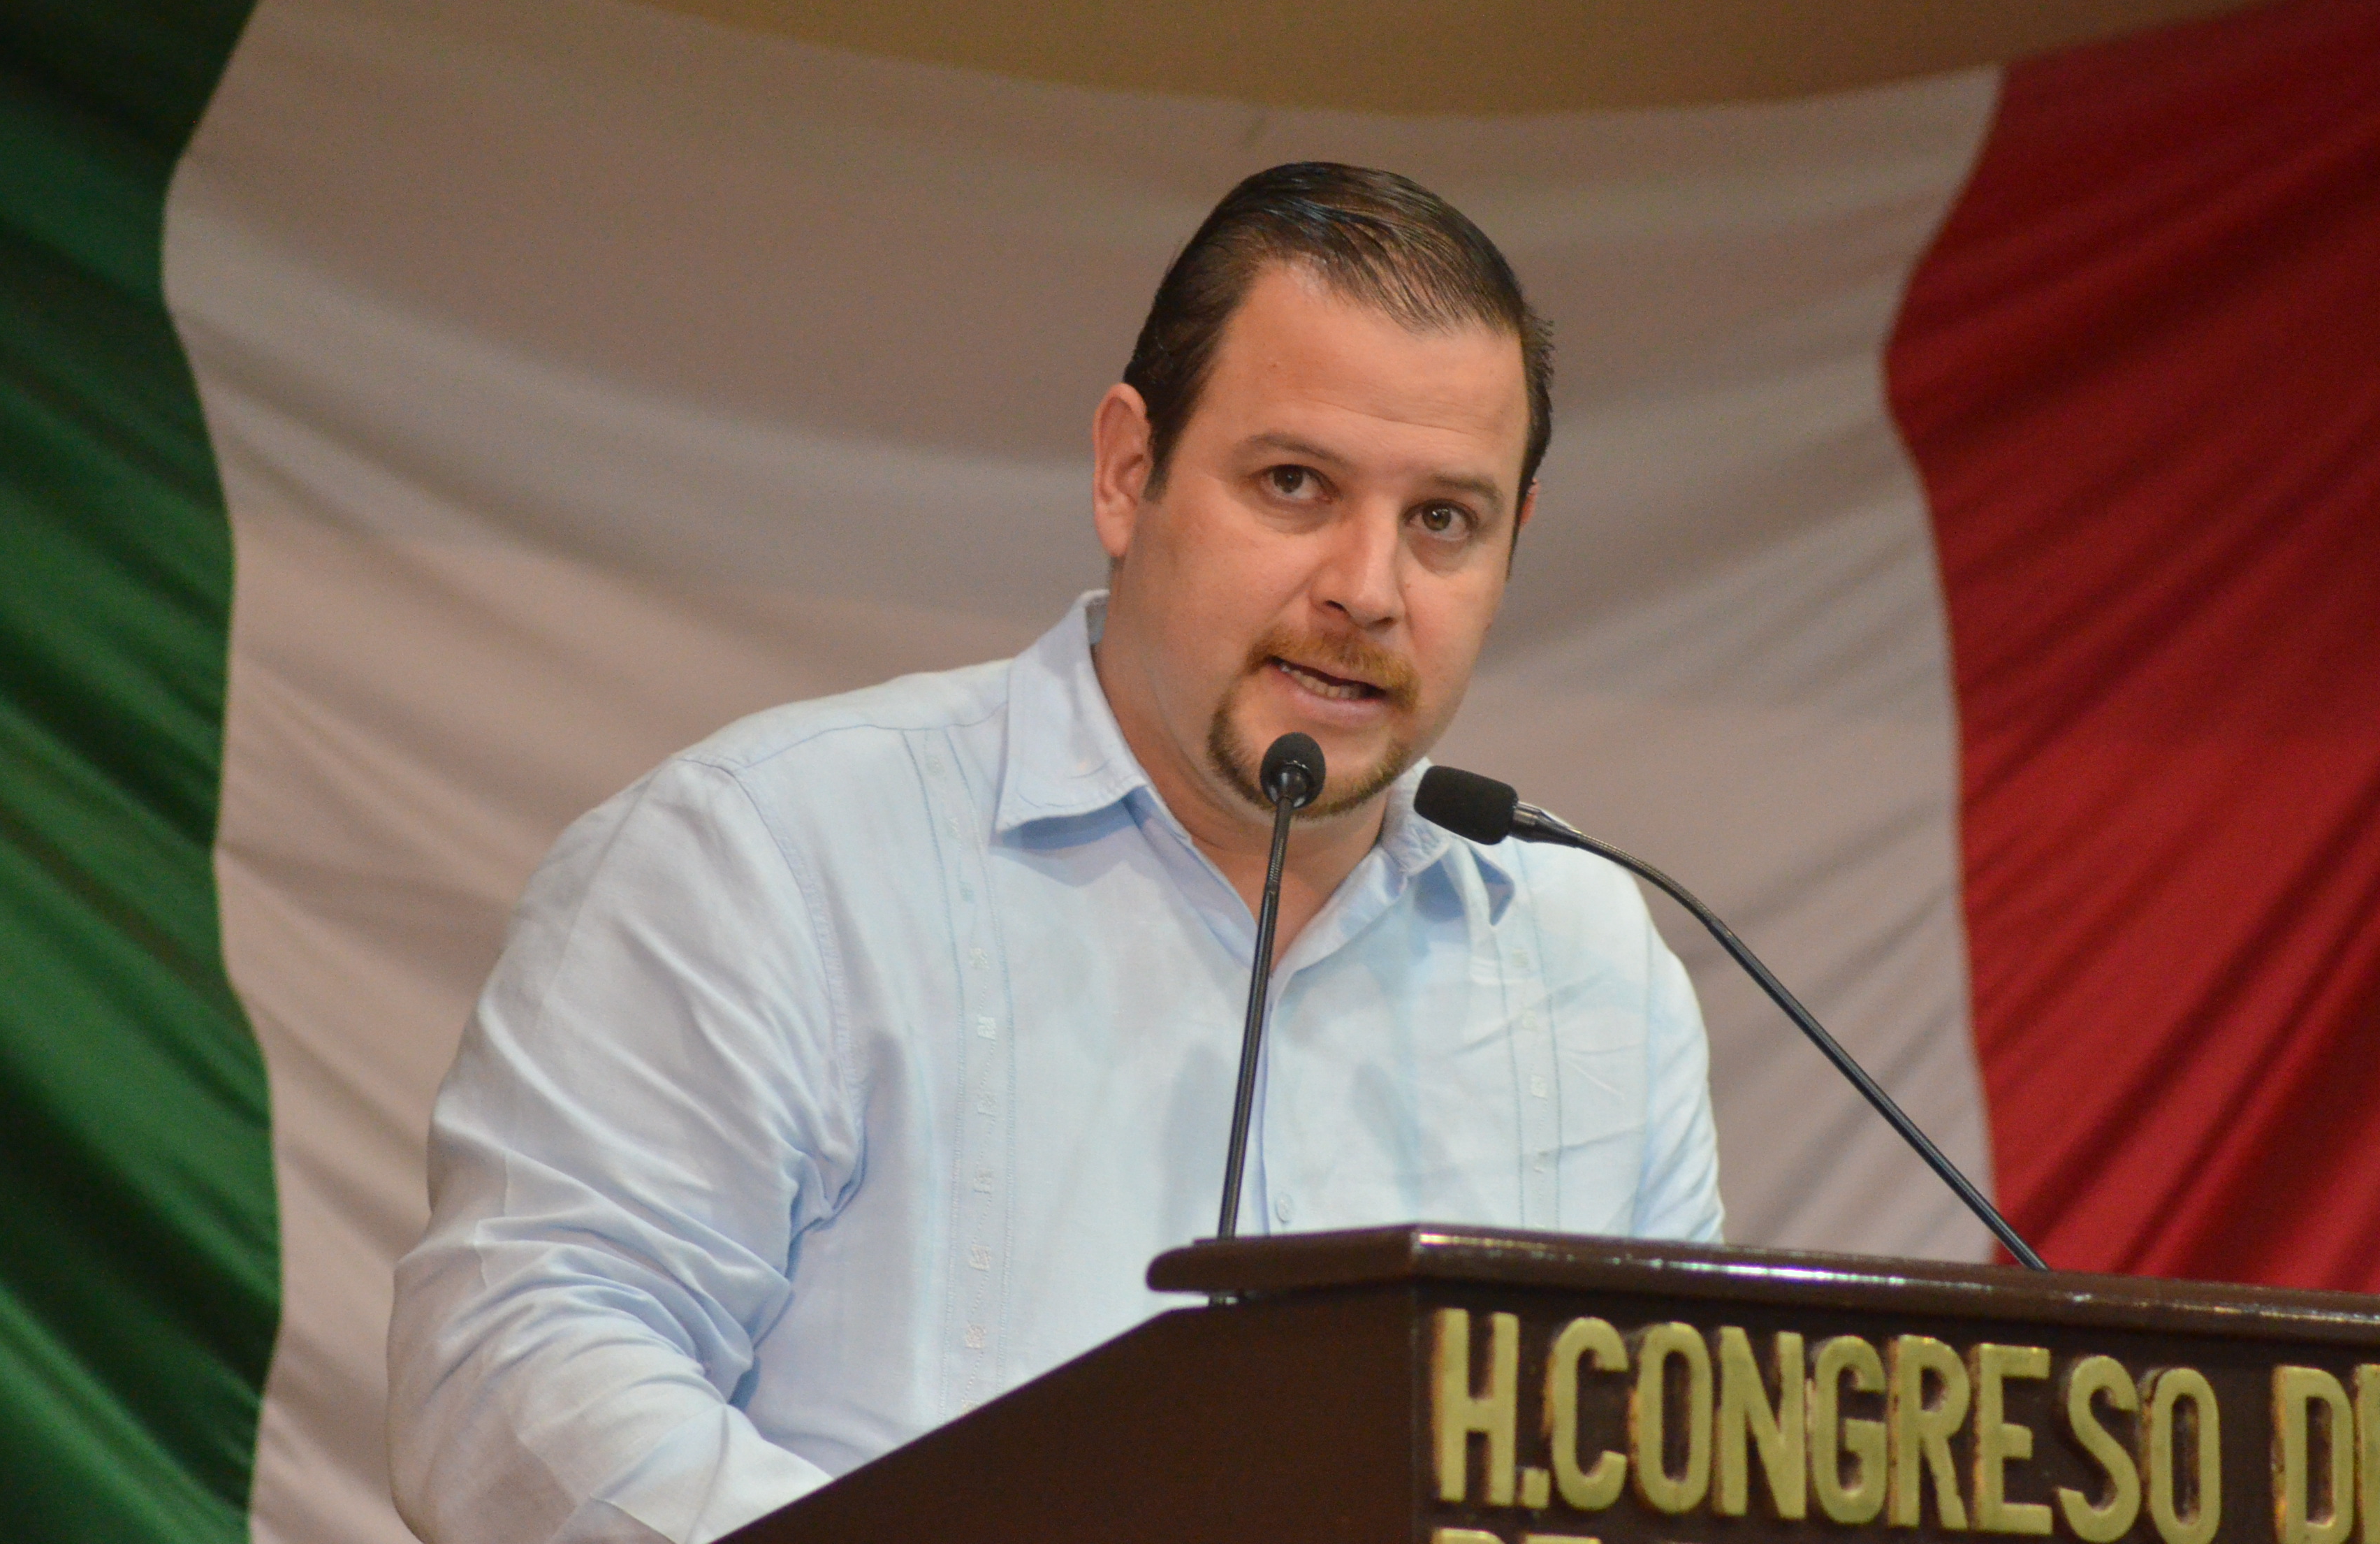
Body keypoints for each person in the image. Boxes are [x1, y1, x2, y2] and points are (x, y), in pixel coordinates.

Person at [386, 162, 1723, 1544]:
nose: (1367, 590)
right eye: (1294, 484)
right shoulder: (766, 858)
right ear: (1129, 472)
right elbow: (514, 1375)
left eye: (1443, 520)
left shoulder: (1588, 963)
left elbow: (1683, 1487)